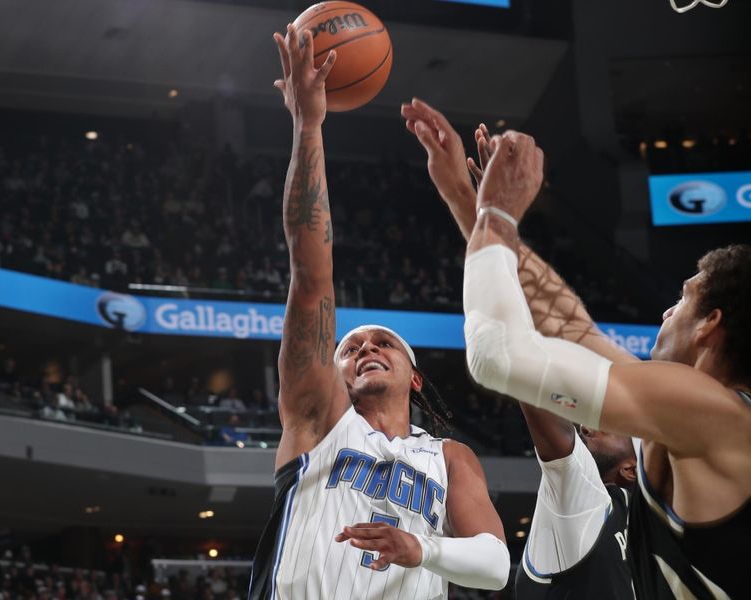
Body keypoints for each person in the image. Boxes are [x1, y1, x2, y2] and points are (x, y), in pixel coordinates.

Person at [248, 25, 510, 600]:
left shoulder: (450, 456)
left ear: (415, 376)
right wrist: (308, 127)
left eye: (383, 342)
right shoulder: (319, 418)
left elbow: (495, 564)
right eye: (350, 346)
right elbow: (311, 276)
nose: (365, 347)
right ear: (334, 371)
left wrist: (423, 549)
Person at [447, 114, 749, 599]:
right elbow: (569, 326)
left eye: (685, 297)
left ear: (710, 324)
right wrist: (482, 215)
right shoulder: (688, 417)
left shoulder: (716, 415)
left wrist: (497, 218)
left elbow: (498, 356)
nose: (668, 309)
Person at [403, 99, 638, 599]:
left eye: (607, 424)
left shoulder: (631, 515)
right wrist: (479, 208)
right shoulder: (586, 501)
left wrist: (487, 209)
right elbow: (552, 331)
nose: (588, 420)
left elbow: (521, 353)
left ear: (633, 469)